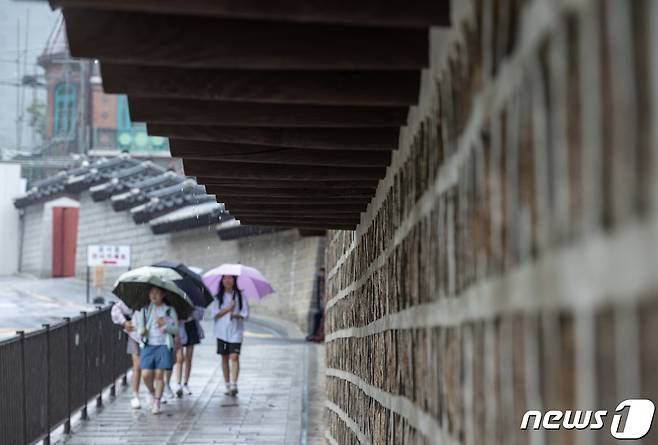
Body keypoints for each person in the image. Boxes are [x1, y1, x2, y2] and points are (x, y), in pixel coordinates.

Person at [134, 286, 178, 414]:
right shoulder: (145, 309)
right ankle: (152, 392)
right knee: (146, 374)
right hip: (148, 345)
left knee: (159, 374)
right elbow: (140, 327)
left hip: (163, 345)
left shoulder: (169, 310)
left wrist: (164, 325)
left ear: (163, 295)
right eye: (152, 293)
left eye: (157, 293)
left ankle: (157, 402)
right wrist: (141, 331)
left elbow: (175, 329)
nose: (154, 296)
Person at [209, 275, 248, 396]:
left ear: (234, 280)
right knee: (224, 357)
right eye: (225, 278)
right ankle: (227, 383)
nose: (227, 280)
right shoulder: (217, 297)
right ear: (221, 281)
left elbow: (245, 314)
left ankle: (234, 384)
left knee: (234, 356)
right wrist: (227, 309)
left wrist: (235, 314)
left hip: (236, 331)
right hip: (221, 332)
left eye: (230, 278)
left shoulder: (240, 296)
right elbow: (214, 315)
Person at [110, 300, 142, 409]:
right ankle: (135, 395)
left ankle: (154, 394)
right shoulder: (133, 300)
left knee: (150, 369)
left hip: (152, 338)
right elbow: (116, 309)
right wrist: (124, 322)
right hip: (135, 336)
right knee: (137, 366)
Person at [175, 306, 205, 397]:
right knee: (179, 358)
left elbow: (200, 316)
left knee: (189, 358)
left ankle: (185, 383)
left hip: (191, 326)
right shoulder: (177, 300)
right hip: (179, 327)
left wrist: (192, 310)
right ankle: (178, 384)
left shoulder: (194, 301)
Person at [306, 267, 326, 342]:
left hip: (325, 306)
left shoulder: (324, 280)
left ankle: (317, 335)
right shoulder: (321, 280)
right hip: (323, 306)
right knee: (317, 316)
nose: (320, 274)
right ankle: (314, 334)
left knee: (319, 317)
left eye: (322, 273)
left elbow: (323, 294)